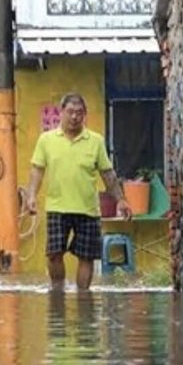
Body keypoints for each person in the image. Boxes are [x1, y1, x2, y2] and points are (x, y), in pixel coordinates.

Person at [26, 93, 132, 291]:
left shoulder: (96, 141)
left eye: (79, 113)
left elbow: (107, 174)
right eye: (70, 112)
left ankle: (84, 298)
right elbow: (37, 170)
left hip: (88, 209)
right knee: (54, 253)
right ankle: (57, 291)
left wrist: (121, 200)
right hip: (57, 207)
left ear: (85, 115)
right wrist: (31, 196)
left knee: (86, 256)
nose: (74, 117)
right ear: (61, 113)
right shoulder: (47, 140)